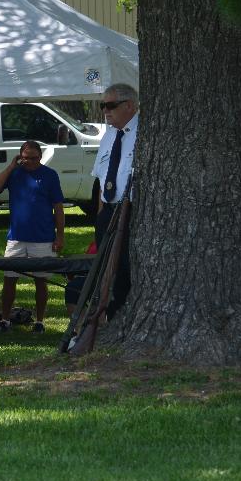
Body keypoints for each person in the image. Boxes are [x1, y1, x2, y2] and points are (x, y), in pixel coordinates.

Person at [0, 140, 65, 334]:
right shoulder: (14, 173)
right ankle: (5, 320)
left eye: (34, 158)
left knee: (41, 280)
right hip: (16, 237)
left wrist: (60, 236)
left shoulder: (50, 175)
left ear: (40, 157)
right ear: (20, 157)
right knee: (9, 279)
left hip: (43, 237)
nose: (29, 162)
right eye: (25, 158)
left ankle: (39, 321)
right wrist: (11, 167)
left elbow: (58, 207)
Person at [91, 82, 139, 317]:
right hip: (108, 211)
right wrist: (102, 212)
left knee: (125, 268)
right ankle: (103, 316)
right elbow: (101, 178)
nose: (105, 111)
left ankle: (120, 314)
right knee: (103, 268)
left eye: (110, 105)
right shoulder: (109, 135)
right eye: (103, 106)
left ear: (129, 105)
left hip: (131, 211)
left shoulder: (144, 132)